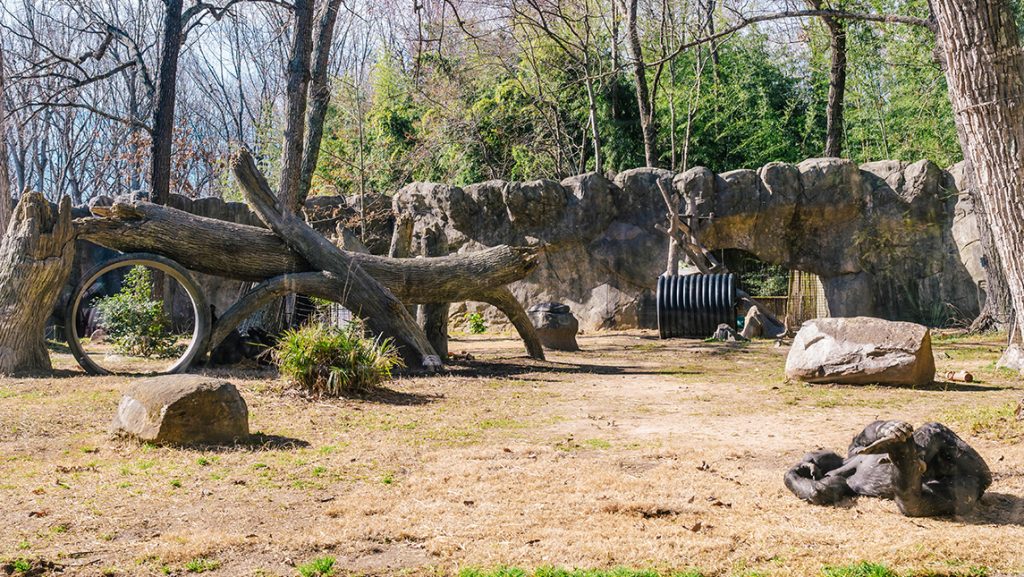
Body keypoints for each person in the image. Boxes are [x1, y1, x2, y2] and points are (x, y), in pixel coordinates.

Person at [784, 420, 991, 517]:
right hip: (960, 486)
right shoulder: (846, 483)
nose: (811, 455)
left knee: (932, 430)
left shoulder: (856, 449)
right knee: (911, 503)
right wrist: (790, 476)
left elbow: (874, 428)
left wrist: (886, 428)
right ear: (823, 472)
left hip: (963, 462)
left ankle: (911, 457)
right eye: (811, 458)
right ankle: (908, 458)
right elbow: (816, 492)